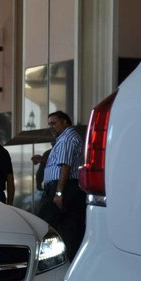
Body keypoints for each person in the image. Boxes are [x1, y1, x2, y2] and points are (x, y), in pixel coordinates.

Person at [37, 111, 86, 261]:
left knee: (41, 226)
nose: (51, 127)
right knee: (69, 230)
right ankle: (69, 264)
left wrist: (58, 193)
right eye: (49, 124)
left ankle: (43, 263)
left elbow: (65, 166)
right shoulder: (66, 138)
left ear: (65, 122)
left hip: (63, 189)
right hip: (67, 188)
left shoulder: (66, 139)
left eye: (54, 123)